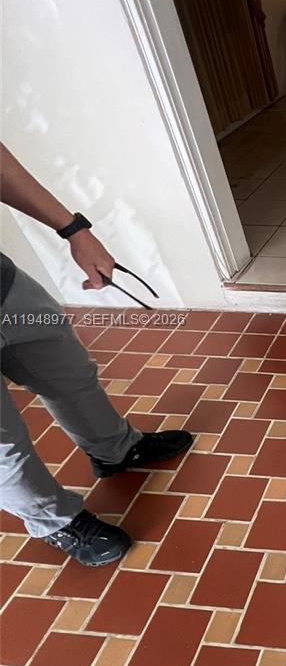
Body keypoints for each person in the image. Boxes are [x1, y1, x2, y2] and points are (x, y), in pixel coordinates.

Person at [0, 144, 192, 566]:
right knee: (3, 447)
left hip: (4, 289)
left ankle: (115, 450)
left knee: (71, 374)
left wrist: (74, 230)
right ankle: (55, 521)